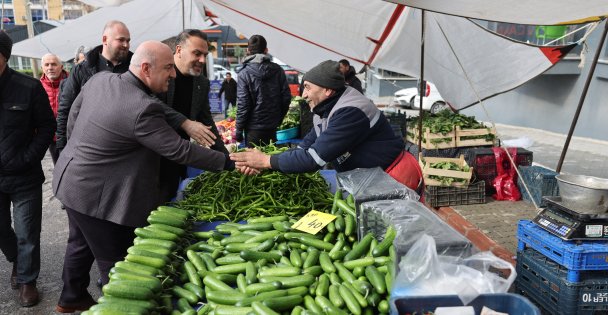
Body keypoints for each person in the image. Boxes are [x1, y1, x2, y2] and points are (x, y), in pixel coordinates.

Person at [52, 40, 235, 313]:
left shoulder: (103, 80)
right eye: (168, 68)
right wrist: (229, 163)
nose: (173, 75)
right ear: (147, 69)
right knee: (119, 269)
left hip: (71, 180)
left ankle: (71, 297)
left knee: (80, 243)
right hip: (96, 199)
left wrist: (78, 149)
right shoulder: (140, 108)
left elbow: (74, 116)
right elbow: (180, 151)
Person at [231, 60, 423, 193]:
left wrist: (266, 161)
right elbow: (304, 147)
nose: (303, 95)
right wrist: (265, 163)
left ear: (328, 90)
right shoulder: (327, 108)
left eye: (307, 87)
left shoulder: (350, 111)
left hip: (393, 178)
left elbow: (313, 159)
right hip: (371, 179)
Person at [56, 20, 217, 156]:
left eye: (128, 40)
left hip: (152, 151)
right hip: (96, 147)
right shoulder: (84, 70)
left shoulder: (136, 66)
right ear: (105, 39)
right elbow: (68, 110)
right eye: (121, 40)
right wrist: (63, 149)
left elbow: (206, 121)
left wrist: (227, 159)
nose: (126, 45)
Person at [0, 30, 56, 307]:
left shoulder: (29, 87)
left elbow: (47, 126)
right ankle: (16, 262)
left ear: (3, 57)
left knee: (27, 232)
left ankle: (27, 281)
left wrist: (28, 158)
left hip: (25, 176)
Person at [157, 29, 229, 203]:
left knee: (169, 203)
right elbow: (149, 104)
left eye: (205, 55)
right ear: (179, 50)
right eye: (197, 53)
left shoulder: (201, 83)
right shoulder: (160, 72)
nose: (202, 60)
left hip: (178, 159)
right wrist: (184, 122)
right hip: (152, 159)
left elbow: (207, 122)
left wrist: (226, 160)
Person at [236, 34, 291, 147]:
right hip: (272, 126)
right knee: (269, 159)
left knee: (254, 162)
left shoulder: (244, 73)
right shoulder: (278, 70)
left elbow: (243, 104)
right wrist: (278, 119)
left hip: (252, 129)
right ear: (266, 50)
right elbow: (286, 98)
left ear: (248, 50)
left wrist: (238, 129)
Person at [40, 53, 69, 164]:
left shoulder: (72, 82)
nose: (50, 68)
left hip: (70, 135)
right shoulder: (37, 86)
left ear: (61, 67)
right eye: (46, 65)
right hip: (50, 138)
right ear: (42, 68)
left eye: (53, 64)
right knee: (58, 166)